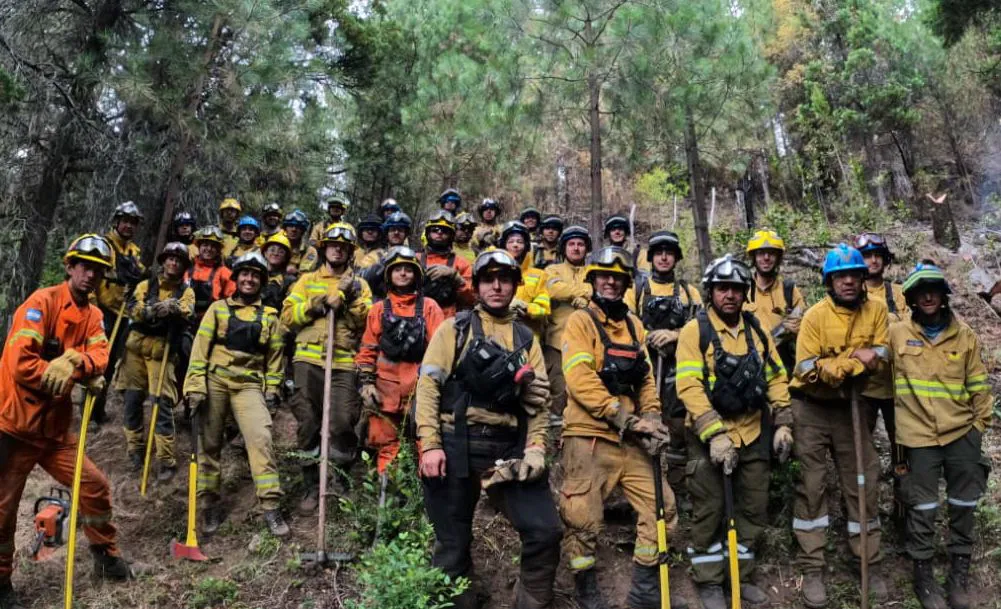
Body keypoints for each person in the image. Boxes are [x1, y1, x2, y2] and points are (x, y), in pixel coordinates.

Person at [415, 249, 561, 609]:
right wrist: (430, 445)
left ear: (515, 285)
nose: (497, 286)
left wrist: (536, 449)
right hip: (455, 442)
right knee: (451, 544)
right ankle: (459, 602)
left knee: (545, 530)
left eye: (505, 279)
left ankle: (530, 601)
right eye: (488, 279)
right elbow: (428, 386)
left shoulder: (527, 339)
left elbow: (540, 406)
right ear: (477, 285)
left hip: (508, 448)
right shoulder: (455, 329)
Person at [0, 235, 140, 609]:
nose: (91, 274)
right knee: (3, 510)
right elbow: (20, 364)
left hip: (56, 431)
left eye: (98, 270)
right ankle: (0, 583)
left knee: (95, 486)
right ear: (70, 266)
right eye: (84, 265)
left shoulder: (94, 315)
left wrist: (76, 361)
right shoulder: (40, 304)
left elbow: (101, 355)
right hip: (17, 427)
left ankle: (104, 555)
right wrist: (64, 369)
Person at [559, 245, 682, 609]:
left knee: (663, 510)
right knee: (582, 519)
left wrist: (654, 417)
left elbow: (645, 379)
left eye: (617, 277)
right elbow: (579, 379)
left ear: (626, 283)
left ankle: (644, 591)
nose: (610, 282)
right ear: (593, 280)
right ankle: (585, 588)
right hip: (589, 435)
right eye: (604, 276)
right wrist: (623, 417)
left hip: (632, 437)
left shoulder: (634, 325)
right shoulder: (580, 322)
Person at [675, 254, 792, 609]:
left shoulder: (756, 330)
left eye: (737, 289)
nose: (730, 295)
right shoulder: (696, 331)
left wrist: (784, 423)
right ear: (711, 292)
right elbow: (689, 385)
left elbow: (775, 376)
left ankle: (739, 576)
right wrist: (714, 433)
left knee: (753, 509)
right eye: (722, 288)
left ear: (745, 294)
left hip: (754, 431)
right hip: (708, 435)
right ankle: (710, 581)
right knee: (709, 511)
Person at [790, 244, 889, 608]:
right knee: (813, 485)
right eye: (839, 276)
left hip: (854, 407)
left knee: (862, 480)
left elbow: (882, 353)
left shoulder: (877, 310)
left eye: (854, 275)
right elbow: (807, 368)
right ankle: (812, 566)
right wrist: (850, 360)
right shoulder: (815, 316)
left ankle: (868, 561)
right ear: (829, 281)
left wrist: (853, 360)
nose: (848, 281)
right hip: (812, 408)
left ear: (864, 279)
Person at [889, 263, 990, 609]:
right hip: (917, 438)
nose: (928, 295)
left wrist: (978, 427)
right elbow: (876, 372)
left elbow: (979, 387)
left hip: (962, 432)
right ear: (912, 298)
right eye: (921, 291)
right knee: (923, 507)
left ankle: (959, 573)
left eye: (934, 289)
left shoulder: (965, 336)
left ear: (943, 295)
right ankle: (924, 577)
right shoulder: (896, 334)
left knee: (963, 504)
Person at [184, 251, 290, 537]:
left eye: (255, 275)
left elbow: (275, 360)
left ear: (262, 282)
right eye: (245, 273)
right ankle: (208, 504)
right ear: (236, 277)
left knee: (261, 438)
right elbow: (199, 350)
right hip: (214, 382)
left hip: (249, 385)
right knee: (209, 444)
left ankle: (270, 506)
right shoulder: (217, 309)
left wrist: (271, 391)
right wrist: (194, 386)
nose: (249, 279)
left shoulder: (270, 316)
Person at [282, 223, 372, 512]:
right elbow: (287, 317)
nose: (338, 249)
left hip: (344, 362)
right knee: (309, 422)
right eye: (333, 245)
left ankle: (340, 477)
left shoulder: (361, 284)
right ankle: (311, 483)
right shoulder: (307, 280)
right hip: (308, 361)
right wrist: (318, 303)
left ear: (350, 252)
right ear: (324, 249)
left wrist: (349, 298)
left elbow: (368, 322)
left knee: (343, 421)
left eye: (344, 247)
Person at [356, 247, 445, 474]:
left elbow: (440, 350)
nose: (403, 274)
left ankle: (423, 497)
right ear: (389, 275)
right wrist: (366, 383)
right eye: (398, 270)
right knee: (387, 444)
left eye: (408, 270)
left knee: (425, 442)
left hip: (419, 388)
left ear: (416, 275)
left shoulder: (430, 307)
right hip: (385, 391)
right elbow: (368, 349)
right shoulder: (378, 310)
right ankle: (388, 497)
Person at [118, 242, 196, 481]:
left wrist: (173, 309)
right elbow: (133, 308)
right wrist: (152, 310)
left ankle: (165, 460)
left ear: (184, 266)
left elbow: (188, 311)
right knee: (132, 401)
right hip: (135, 350)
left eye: (179, 260)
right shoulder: (146, 285)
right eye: (170, 259)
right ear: (163, 261)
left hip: (162, 352)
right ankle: (135, 449)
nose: (173, 263)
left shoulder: (186, 291)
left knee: (161, 405)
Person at [635, 231, 701, 493]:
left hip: (677, 370)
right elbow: (625, 323)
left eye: (669, 253)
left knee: (677, 428)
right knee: (642, 426)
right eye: (659, 253)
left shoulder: (689, 291)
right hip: (644, 369)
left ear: (676, 258)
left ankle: (677, 488)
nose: (664, 257)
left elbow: (702, 325)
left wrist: (674, 335)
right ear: (651, 258)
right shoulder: (637, 289)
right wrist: (650, 336)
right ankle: (644, 488)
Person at [92, 201, 146, 425]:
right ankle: (92, 412)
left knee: (114, 359)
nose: (128, 227)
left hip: (123, 312)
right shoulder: (105, 245)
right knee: (98, 361)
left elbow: (140, 274)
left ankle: (100, 409)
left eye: (133, 223)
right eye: (125, 222)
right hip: (102, 310)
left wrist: (141, 276)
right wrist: (93, 307)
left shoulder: (134, 251)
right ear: (116, 222)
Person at [854, 232, 909, 447]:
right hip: (863, 386)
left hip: (897, 385)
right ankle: (867, 479)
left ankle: (901, 476)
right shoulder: (850, 295)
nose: (873, 260)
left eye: (878, 255)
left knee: (901, 440)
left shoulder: (899, 293)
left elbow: (911, 332)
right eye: (867, 256)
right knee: (862, 442)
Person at [544, 225, 594, 420]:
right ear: (564, 248)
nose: (576, 248)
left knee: (584, 389)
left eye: (580, 244)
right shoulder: (552, 270)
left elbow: (598, 292)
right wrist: (579, 294)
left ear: (586, 248)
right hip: (556, 341)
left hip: (587, 342)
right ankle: (554, 441)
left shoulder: (595, 270)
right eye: (571, 244)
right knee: (557, 391)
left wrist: (583, 294)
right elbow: (553, 289)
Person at [744, 230, 806, 374]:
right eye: (760, 253)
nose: (766, 258)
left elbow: (804, 327)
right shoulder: (742, 290)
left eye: (771, 253)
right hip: (751, 364)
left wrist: (797, 329)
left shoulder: (789, 290)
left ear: (778, 257)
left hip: (784, 366)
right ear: (753, 257)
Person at [419, 210, 475, 319]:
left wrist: (457, 278)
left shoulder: (461, 263)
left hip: (448, 320)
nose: (439, 233)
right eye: (435, 230)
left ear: (451, 235)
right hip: (417, 319)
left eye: (444, 231)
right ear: (428, 233)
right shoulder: (415, 259)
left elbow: (473, 297)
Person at [500, 221, 551, 338]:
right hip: (499, 335)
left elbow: (544, 309)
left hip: (528, 336)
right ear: (504, 245)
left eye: (520, 242)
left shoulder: (539, 275)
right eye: (510, 241)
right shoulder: (495, 272)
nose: (515, 245)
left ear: (526, 246)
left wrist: (525, 307)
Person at [186, 226, 237, 322]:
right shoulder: (187, 269)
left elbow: (232, 300)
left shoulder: (225, 273)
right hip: (184, 319)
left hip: (211, 320)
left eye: (213, 246)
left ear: (218, 250)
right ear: (199, 246)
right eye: (205, 244)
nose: (209, 249)